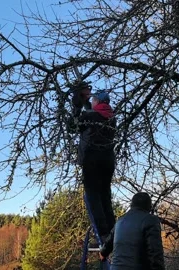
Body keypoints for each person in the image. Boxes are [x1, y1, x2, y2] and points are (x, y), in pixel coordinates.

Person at [69, 81, 117, 242]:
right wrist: (86, 101)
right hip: (108, 160)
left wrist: (77, 104)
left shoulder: (91, 116)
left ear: (98, 101)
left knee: (93, 196)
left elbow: (72, 126)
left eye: (94, 99)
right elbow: (93, 112)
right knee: (104, 195)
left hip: (91, 159)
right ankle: (112, 230)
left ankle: (103, 233)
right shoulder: (111, 117)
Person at [100, 192, 165, 270]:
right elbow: (155, 253)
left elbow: (108, 243)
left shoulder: (120, 221)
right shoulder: (150, 220)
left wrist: (103, 253)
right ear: (149, 206)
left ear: (132, 205)